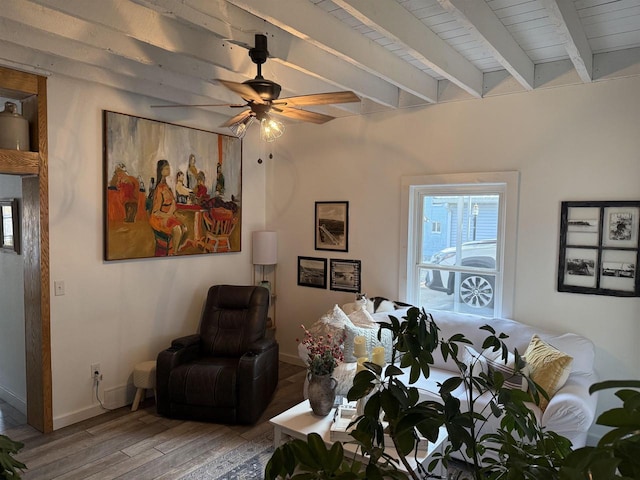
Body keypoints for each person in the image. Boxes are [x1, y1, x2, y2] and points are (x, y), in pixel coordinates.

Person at [149, 159, 187, 255]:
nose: (169, 169)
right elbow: (156, 212)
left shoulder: (166, 186)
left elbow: (172, 203)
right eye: (166, 168)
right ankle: (174, 253)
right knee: (178, 229)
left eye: (168, 167)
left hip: (168, 216)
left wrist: (172, 211)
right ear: (161, 171)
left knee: (185, 227)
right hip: (159, 218)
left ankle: (174, 247)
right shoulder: (159, 189)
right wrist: (169, 215)